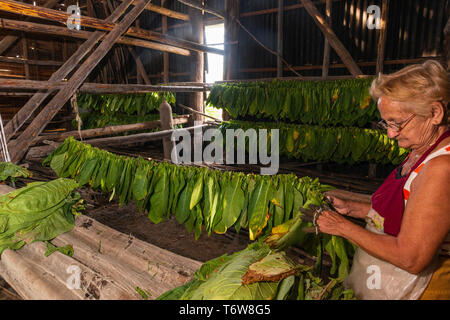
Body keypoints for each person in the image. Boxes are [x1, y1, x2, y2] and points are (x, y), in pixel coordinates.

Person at [317, 60, 450, 300]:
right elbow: (409, 213)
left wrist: (340, 226)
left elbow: (411, 258)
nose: (390, 133)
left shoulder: (441, 168)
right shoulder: (423, 149)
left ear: (434, 113)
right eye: (386, 123)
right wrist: (356, 208)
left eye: (397, 123)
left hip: (421, 289)